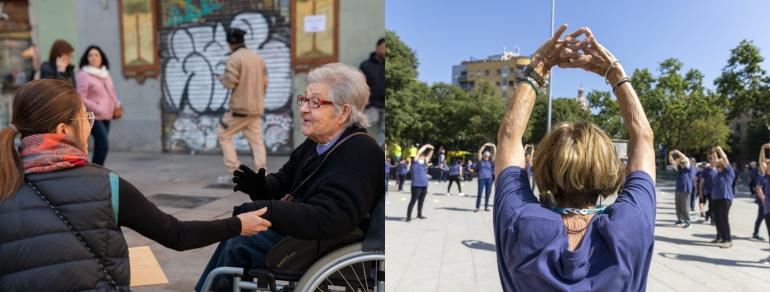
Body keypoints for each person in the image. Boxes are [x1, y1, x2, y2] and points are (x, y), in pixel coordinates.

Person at [0, 79, 270, 291]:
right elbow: (176, 234)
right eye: (85, 120)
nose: (89, 128)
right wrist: (237, 225)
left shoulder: (5, 184)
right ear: (63, 131)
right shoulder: (106, 185)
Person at [493, 25, 656, 291]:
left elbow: (509, 137)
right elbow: (643, 137)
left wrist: (539, 68)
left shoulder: (521, 222)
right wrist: (615, 73)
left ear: (543, 166)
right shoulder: (631, 224)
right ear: (612, 168)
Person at [195, 63, 383, 289]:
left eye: (315, 102)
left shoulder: (360, 151)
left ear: (343, 112)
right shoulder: (314, 143)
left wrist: (270, 210)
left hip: (327, 238)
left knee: (241, 241)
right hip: (305, 230)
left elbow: (333, 217)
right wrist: (260, 186)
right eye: (304, 100)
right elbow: (284, 181)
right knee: (238, 229)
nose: (303, 108)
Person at [216, 28, 268, 183]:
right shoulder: (257, 58)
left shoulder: (234, 58)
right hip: (256, 109)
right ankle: (262, 174)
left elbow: (230, 83)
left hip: (239, 110)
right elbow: (265, 82)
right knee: (257, 141)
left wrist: (222, 79)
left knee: (223, 134)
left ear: (231, 43)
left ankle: (236, 171)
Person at [76, 45, 120, 166]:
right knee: (104, 144)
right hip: (94, 116)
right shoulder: (83, 75)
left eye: (96, 55)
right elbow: (80, 97)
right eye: (90, 55)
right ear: (87, 58)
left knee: (100, 145)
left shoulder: (105, 73)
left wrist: (117, 103)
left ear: (101, 57)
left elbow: (112, 91)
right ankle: (97, 169)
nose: (93, 57)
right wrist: (97, 108)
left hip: (108, 115)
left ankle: (97, 169)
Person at [360, 38, 385, 144]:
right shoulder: (366, 65)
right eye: (384, 47)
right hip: (372, 105)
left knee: (384, 133)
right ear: (377, 48)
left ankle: (376, 153)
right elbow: (359, 84)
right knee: (359, 126)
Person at [710, 146, 734, 248]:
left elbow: (724, 159)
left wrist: (719, 150)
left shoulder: (728, 172)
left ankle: (727, 239)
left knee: (723, 219)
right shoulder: (717, 174)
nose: (717, 165)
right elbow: (715, 161)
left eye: (720, 164)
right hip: (715, 198)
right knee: (717, 219)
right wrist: (713, 152)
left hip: (725, 198)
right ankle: (720, 237)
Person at [406, 144, 433, 221]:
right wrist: (425, 146)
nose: (424, 157)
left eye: (424, 156)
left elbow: (429, 155)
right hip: (416, 185)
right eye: (423, 156)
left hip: (424, 184)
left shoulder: (425, 162)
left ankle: (419, 214)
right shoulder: (415, 162)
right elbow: (418, 153)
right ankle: (408, 217)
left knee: (421, 201)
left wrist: (432, 149)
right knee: (413, 201)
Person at [668, 150, 693, 228]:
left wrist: (678, 152)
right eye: (681, 162)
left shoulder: (688, 168)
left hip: (686, 189)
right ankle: (680, 219)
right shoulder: (678, 169)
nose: (682, 163)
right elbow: (672, 162)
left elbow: (685, 158)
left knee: (684, 206)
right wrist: (670, 154)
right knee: (678, 205)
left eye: (683, 162)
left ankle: (688, 221)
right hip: (678, 188)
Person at [757, 144, 770, 264]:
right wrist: (763, 148)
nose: (767, 166)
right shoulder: (765, 176)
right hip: (767, 209)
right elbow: (761, 161)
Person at [475, 143, 496, 212]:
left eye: (488, 155)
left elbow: (494, 154)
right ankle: (477, 207)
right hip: (481, 179)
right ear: (483, 155)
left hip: (489, 179)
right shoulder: (480, 161)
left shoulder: (490, 162)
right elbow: (479, 152)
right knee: (480, 193)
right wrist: (485, 145)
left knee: (488, 193)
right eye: (485, 155)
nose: (486, 156)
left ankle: (486, 207)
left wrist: (493, 146)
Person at [749, 161, 765, 240]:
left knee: (761, 217)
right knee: (760, 217)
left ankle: (755, 232)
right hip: (763, 201)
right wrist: (762, 198)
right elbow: (758, 188)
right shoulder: (761, 176)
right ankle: (755, 233)